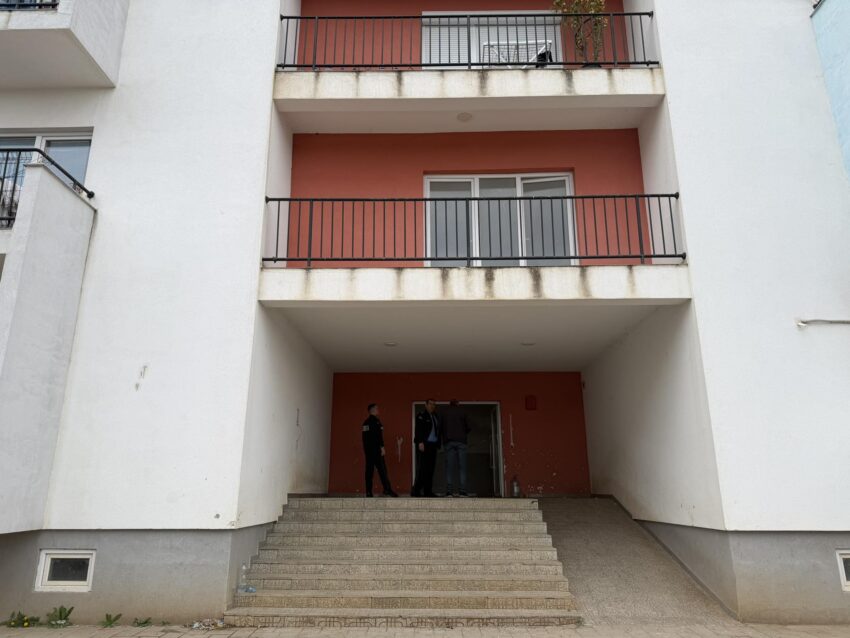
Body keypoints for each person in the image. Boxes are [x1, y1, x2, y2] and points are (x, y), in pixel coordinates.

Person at [362, 403, 398, 497]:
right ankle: (387, 489)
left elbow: (364, 439)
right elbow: (378, 436)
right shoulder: (376, 422)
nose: (378, 410)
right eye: (376, 408)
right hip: (376, 451)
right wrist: (382, 447)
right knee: (382, 470)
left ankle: (369, 492)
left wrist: (367, 451)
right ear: (372, 410)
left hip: (369, 451)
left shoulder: (366, 422)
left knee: (369, 471)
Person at [412, 399, 441, 497]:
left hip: (433, 446)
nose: (432, 406)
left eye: (434, 404)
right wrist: (420, 442)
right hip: (424, 445)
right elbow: (418, 429)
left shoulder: (435, 416)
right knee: (422, 469)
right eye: (430, 404)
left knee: (430, 470)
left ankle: (428, 491)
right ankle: (416, 491)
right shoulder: (421, 415)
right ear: (426, 405)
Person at [442, 399, 471, 497]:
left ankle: (449, 491)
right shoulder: (463, 411)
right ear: (457, 404)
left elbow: (440, 427)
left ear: (450, 404)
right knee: (462, 467)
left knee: (449, 468)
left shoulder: (445, 412)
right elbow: (469, 427)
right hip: (461, 442)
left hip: (449, 441)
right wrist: (462, 433)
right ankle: (462, 491)